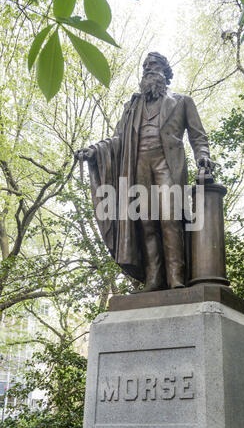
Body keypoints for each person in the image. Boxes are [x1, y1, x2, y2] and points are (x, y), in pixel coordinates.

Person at [75, 52, 215, 292]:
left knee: (170, 220)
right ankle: (154, 279)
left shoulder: (182, 101)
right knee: (146, 224)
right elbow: (118, 139)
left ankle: (176, 278)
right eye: (145, 66)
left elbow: (197, 136)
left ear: (165, 71)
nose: (148, 69)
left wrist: (203, 156)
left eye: (154, 65)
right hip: (138, 166)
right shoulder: (132, 106)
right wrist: (95, 151)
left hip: (167, 165)